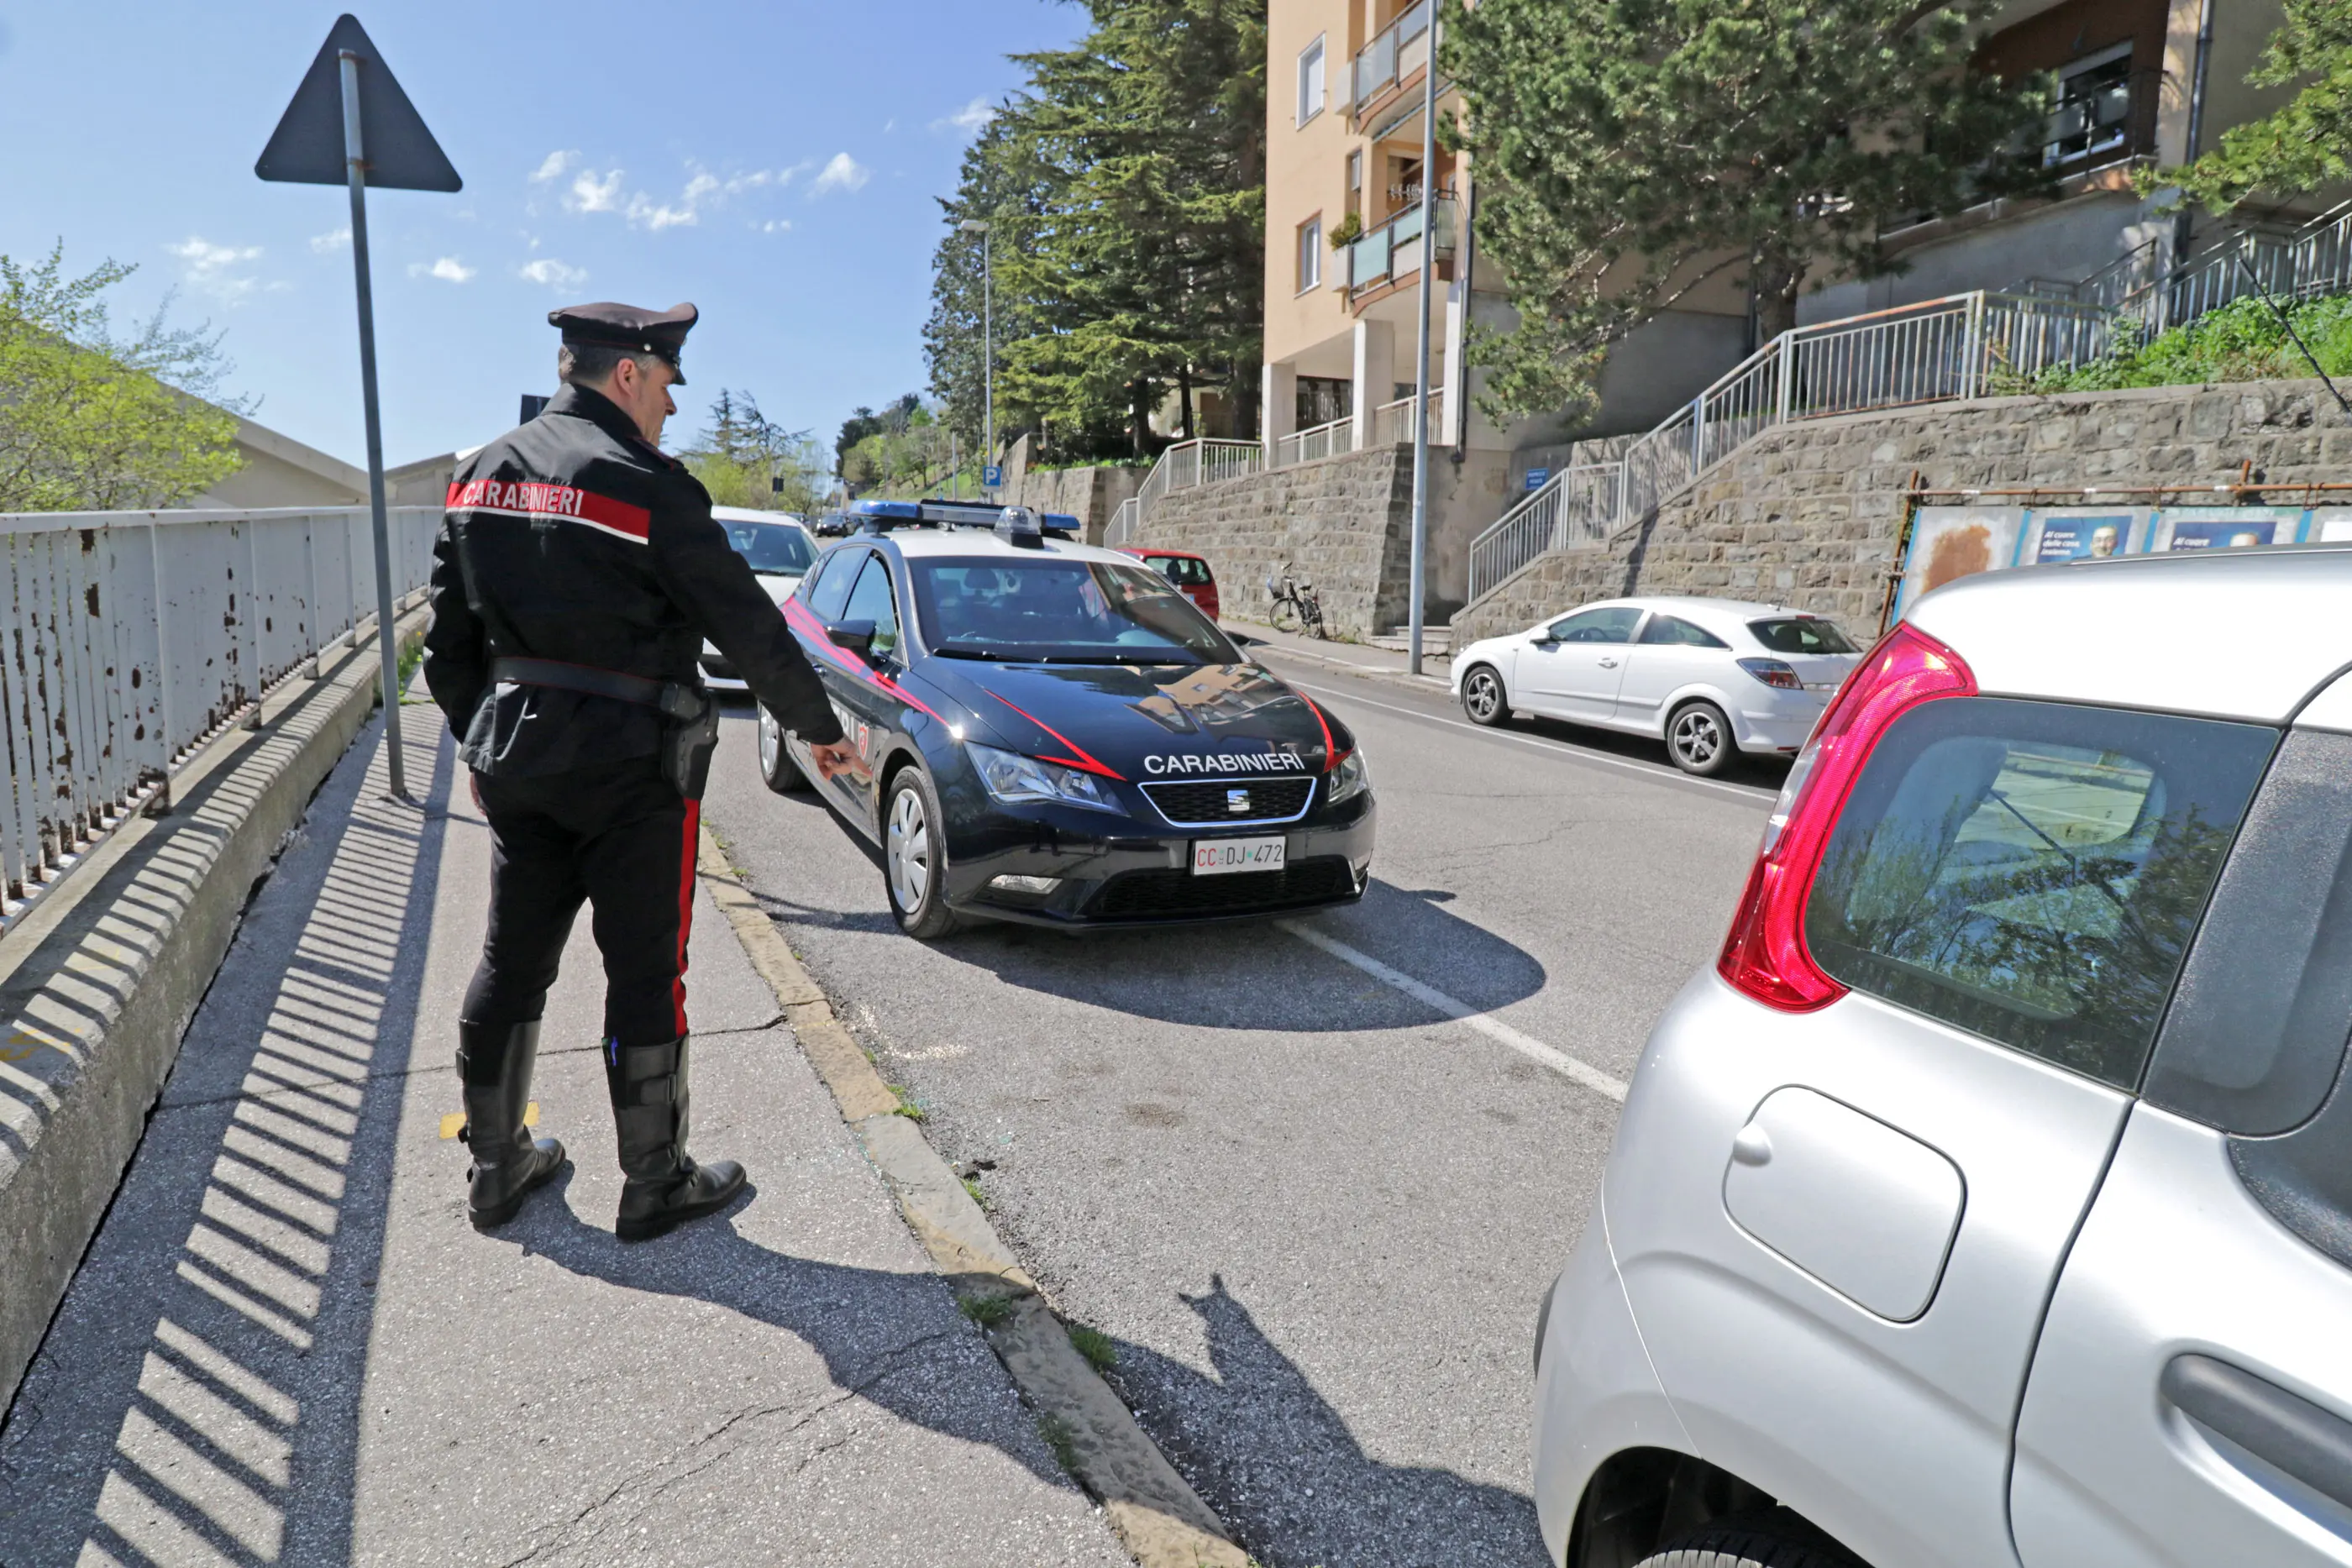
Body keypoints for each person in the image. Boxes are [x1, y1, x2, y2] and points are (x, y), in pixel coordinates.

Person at [423, 300, 863, 1241]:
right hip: (632, 766)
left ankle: (497, 1170)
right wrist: (817, 729)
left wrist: (478, 739)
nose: (669, 407)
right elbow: (745, 621)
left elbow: (446, 643)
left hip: (516, 757)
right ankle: (653, 1180)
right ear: (627, 372)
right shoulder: (646, 484)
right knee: (644, 971)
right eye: (666, 384)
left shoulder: (476, 475)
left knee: (510, 961)